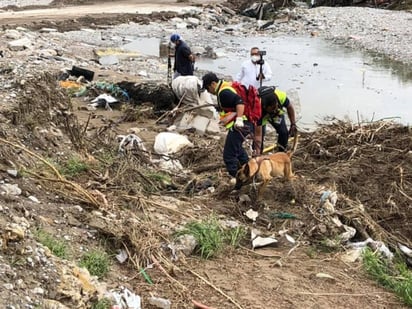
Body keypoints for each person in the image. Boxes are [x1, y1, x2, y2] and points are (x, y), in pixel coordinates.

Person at [201, 72, 254, 180]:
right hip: (247, 123)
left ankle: (237, 179)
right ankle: (250, 171)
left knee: (229, 155)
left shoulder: (223, 92)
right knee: (238, 150)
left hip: (241, 125)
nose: (208, 92)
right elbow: (233, 104)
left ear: (212, 84)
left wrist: (238, 119)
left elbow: (240, 102)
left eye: (207, 88)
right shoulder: (226, 86)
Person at [255, 86, 297, 154]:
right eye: (272, 109)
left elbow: (290, 107)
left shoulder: (280, 96)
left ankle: (281, 153)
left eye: (275, 107)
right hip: (262, 116)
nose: (274, 110)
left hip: (277, 115)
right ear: (265, 107)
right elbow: (258, 135)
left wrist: (293, 124)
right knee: (259, 139)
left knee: (283, 133)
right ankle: (259, 155)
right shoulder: (257, 110)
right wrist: (257, 153)